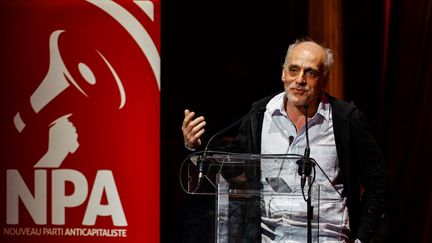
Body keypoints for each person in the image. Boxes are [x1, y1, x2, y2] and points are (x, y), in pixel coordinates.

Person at [181, 38, 389, 243]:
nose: (300, 79)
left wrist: (361, 238)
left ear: (325, 80)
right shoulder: (260, 114)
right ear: (283, 73)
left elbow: (378, 183)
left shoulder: (346, 119)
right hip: (270, 236)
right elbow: (232, 166)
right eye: (293, 70)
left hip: (328, 236)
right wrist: (195, 146)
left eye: (311, 73)